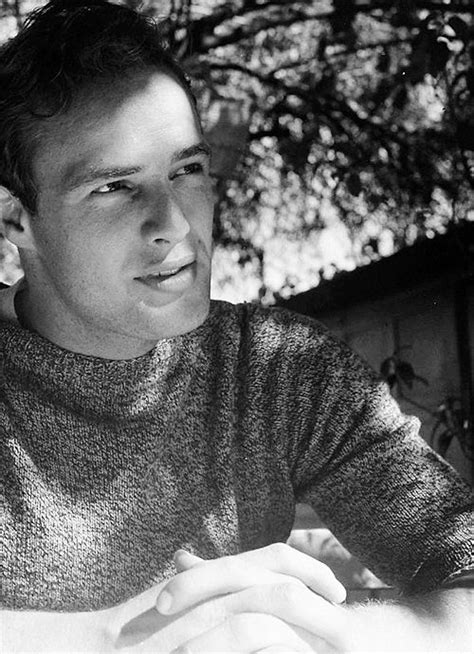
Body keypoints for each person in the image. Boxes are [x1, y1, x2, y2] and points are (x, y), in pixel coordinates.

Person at [0, 0, 472, 651]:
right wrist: (115, 638)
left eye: (187, 171)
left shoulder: (279, 370)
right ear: (11, 219)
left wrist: (326, 633)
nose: (174, 224)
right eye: (113, 187)